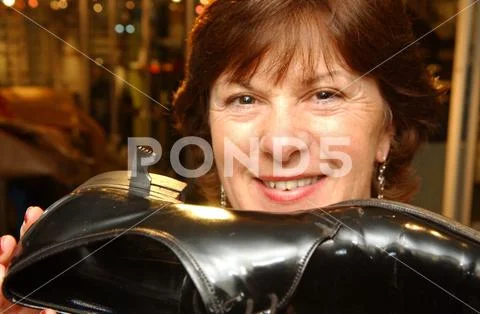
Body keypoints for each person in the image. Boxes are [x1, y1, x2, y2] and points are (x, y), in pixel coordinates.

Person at [0, 0, 442, 312]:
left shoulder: (451, 295)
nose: (280, 143)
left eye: (324, 94)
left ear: (387, 130)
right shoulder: (133, 293)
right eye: (244, 100)